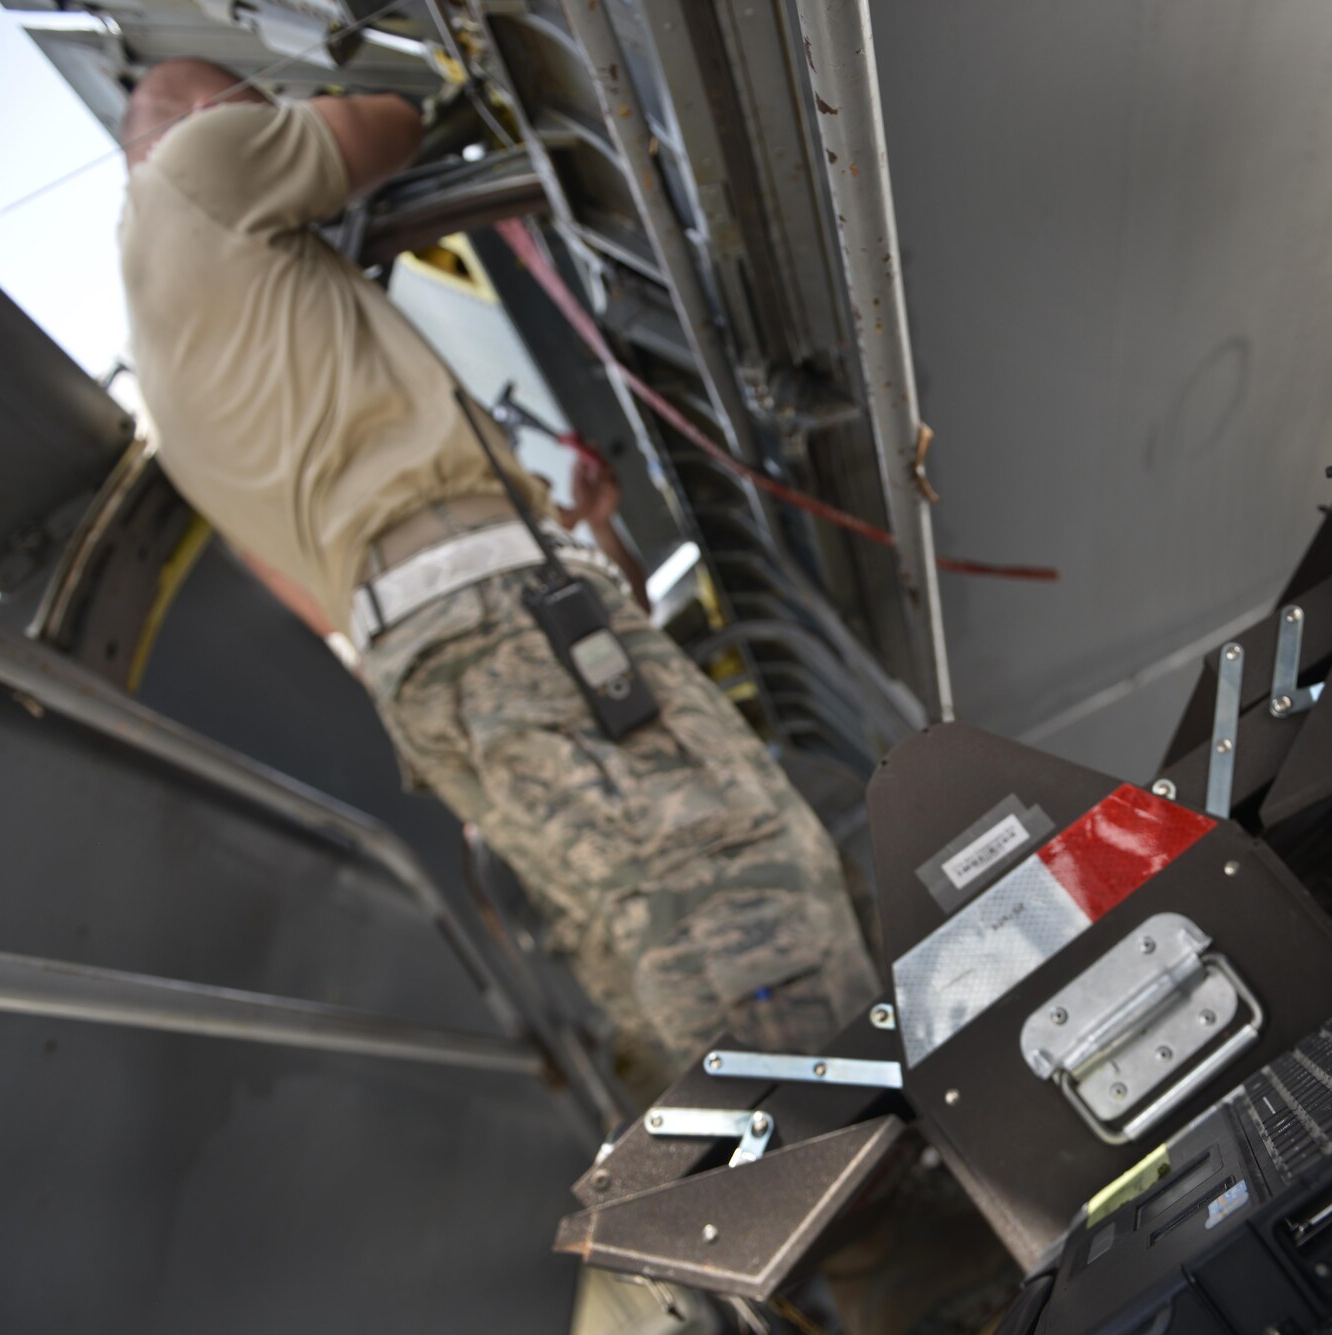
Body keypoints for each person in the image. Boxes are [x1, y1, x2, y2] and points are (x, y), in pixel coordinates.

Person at [117, 58, 878, 1097]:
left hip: (436, 658)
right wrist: (357, 100)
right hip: (490, 615)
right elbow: (386, 124)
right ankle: (855, 1149)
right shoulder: (194, 168)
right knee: (733, 859)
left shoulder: (176, 389)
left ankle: (792, 1194)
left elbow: (345, 577)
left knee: (644, 926)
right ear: (215, 117)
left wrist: (577, 539)